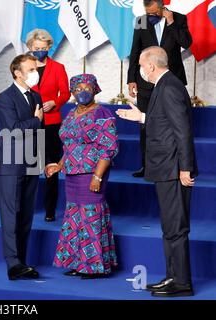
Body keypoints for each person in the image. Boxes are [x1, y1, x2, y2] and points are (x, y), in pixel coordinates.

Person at [117, 46, 197, 297]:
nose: (140, 70)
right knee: (169, 227)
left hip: (174, 169)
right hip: (167, 167)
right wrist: (142, 117)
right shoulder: (166, 85)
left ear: (150, 66)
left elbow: (182, 130)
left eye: (140, 65)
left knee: (175, 227)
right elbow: (165, 121)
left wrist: (185, 167)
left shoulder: (170, 86)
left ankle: (181, 281)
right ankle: (173, 276)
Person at [46, 74, 118, 279]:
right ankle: (79, 262)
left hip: (91, 174)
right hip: (72, 175)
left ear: (95, 89)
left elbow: (109, 148)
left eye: (86, 88)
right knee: (75, 218)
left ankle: (94, 266)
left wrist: (97, 176)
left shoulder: (102, 113)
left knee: (91, 216)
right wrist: (58, 166)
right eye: (77, 90)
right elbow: (69, 145)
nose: (82, 92)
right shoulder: (70, 114)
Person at [127, 0, 192, 178]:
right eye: (148, 13)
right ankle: (146, 165)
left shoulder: (179, 18)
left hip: (171, 80)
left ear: (162, 5)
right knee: (144, 124)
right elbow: (135, 49)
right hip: (145, 80)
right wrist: (131, 78)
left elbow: (186, 43)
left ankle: (179, 165)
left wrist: (171, 23)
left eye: (154, 12)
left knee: (174, 124)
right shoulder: (141, 20)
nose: (150, 16)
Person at [0, 54, 44, 281]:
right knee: (11, 215)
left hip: (32, 162)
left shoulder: (36, 96)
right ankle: (12, 263)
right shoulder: (5, 98)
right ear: (18, 72)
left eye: (36, 68)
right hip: (11, 164)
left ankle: (22, 262)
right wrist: (35, 120)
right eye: (31, 69)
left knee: (26, 215)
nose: (36, 72)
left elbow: (39, 134)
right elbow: (13, 129)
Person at [26, 29, 71, 222]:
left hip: (52, 122)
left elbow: (66, 93)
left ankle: (50, 210)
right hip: (28, 121)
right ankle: (25, 206)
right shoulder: (24, 66)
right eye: (36, 48)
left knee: (51, 167)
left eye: (43, 48)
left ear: (49, 47)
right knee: (28, 166)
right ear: (30, 47)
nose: (39, 51)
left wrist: (55, 103)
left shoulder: (58, 67)